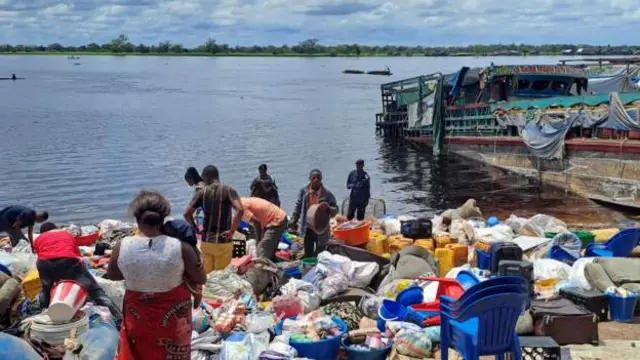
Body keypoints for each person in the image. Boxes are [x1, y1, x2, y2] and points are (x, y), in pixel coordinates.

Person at [107, 190, 206, 360]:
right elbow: (200, 278)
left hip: (137, 315)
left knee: (139, 352)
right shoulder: (181, 247)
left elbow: (113, 275)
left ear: (138, 219)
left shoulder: (122, 245)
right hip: (173, 318)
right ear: (163, 219)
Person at [34, 222, 122, 326]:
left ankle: (44, 316)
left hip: (44, 263)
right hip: (67, 259)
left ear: (43, 232)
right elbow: (78, 256)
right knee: (96, 291)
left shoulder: (38, 239)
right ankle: (120, 319)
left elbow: (40, 255)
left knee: (46, 289)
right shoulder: (66, 234)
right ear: (55, 228)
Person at [185, 165, 244, 273]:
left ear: (206, 177)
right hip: (223, 241)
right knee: (222, 277)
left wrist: (196, 228)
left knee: (208, 277)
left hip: (207, 242)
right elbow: (240, 210)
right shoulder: (229, 190)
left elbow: (187, 214)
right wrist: (232, 231)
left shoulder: (202, 192)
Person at [290, 169, 339, 258]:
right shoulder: (304, 191)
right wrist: (294, 219)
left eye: (318, 177)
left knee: (321, 250)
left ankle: (318, 266)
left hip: (321, 227)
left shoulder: (327, 193)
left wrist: (328, 207)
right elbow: (298, 206)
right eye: (314, 177)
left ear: (321, 179)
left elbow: (336, 209)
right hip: (308, 226)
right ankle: (309, 265)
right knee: (308, 250)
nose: (316, 179)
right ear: (310, 179)